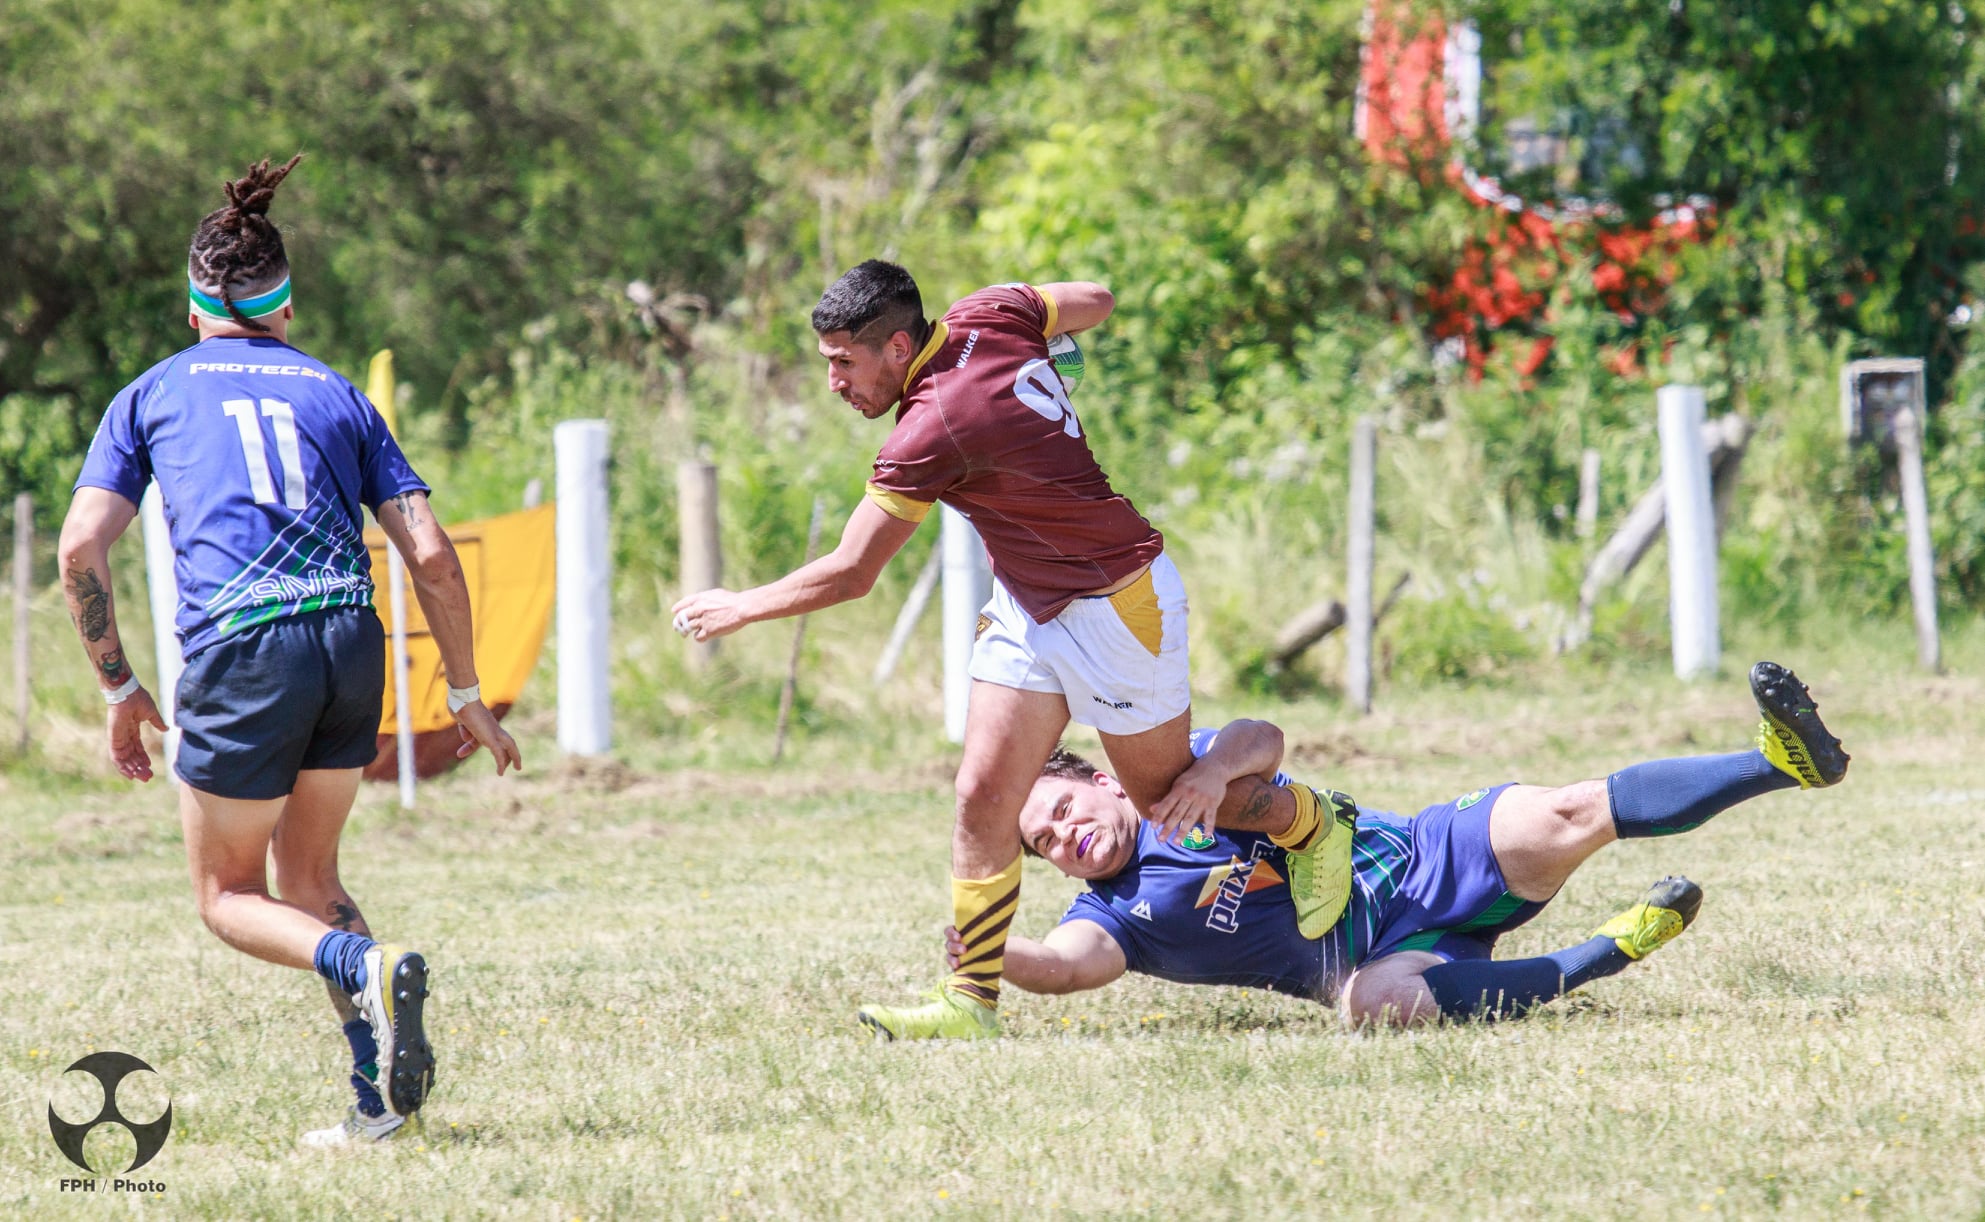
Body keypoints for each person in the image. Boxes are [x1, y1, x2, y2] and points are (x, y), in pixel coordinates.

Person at [670, 261, 1350, 1040]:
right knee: (981, 793)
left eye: (840, 363)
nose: (831, 382)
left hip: (1117, 604)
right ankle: (970, 1002)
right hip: (1031, 603)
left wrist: (741, 605)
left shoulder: (934, 427)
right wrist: (1058, 353)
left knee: (1168, 799)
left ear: (897, 348)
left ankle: (1310, 823)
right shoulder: (989, 311)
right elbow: (1098, 297)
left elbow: (855, 572)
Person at [57, 155, 522, 1146]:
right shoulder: (338, 393)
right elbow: (433, 556)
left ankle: (368, 965)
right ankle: (376, 1101)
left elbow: (78, 546)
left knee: (228, 896)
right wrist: (470, 690)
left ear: (193, 311)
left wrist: (118, 683)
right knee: (313, 882)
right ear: (288, 307)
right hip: (351, 640)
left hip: (244, 649)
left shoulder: (148, 396)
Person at [949, 662, 1848, 1025]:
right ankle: (1604, 954)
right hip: (1383, 960)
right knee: (1374, 1007)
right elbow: (1064, 967)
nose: (1065, 839)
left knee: (1564, 814)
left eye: (1061, 811)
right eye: (1046, 845)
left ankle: (1780, 763)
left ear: (1097, 780)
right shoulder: (1112, 917)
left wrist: (1213, 776)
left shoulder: (1174, 781)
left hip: (1423, 856)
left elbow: (1261, 734)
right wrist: (993, 950)